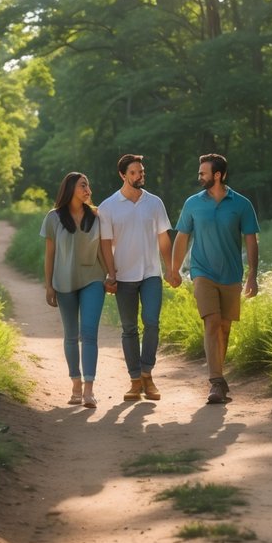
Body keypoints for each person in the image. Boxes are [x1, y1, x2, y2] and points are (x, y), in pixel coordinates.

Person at [167, 154, 260, 404]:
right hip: (202, 272)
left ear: (217, 175)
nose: (199, 177)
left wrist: (252, 275)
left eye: (203, 173)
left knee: (225, 327)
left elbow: (251, 240)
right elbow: (182, 237)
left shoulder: (241, 204)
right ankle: (216, 382)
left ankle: (219, 378)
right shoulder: (193, 204)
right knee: (212, 321)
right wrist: (174, 269)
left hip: (231, 274)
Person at [98, 154, 174, 402]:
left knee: (151, 322)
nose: (140, 176)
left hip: (151, 273)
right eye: (134, 172)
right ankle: (134, 381)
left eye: (141, 171)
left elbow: (164, 238)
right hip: (123, 276)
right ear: (122, 175)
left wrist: (171, 268)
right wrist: (110, 274)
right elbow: (105, 244)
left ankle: (147, 375)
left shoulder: (154, 203)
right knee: (129, 329)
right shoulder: (108, 206)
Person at [42, 172, 110, 408]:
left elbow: (103, 249)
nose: (88, 189)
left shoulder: (97, 216)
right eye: (83, 185)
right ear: (70, 188)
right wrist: (48, 285)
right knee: (71, 335)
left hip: (93, 279)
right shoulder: (53, 218)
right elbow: (50, 254)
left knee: (89, 333)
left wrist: (111, 274)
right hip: (63, 282)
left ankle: (89, 389)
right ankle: (75, 384)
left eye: (89, 185)